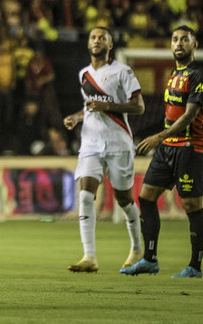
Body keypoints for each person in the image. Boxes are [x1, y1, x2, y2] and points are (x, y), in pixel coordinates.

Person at [121, 25, 203, 279]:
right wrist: (163, 140)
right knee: (146, 197)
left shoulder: (199, 76)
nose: (179, 43)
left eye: (185, 39)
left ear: (195, 44)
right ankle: (150, 260)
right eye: (175, 39)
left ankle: (195, 266)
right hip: (167, 148)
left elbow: (190, 115)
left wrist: (159, 136)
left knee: (192, 205)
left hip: (189, 148)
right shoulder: (174, 74)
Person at [63, 27, 145, 273]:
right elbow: (90, 107)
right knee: (85, 194)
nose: (97, 41)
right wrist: (77, 117)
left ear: (110, 45)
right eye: (93, 37)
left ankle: (137, 248)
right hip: (91, 142)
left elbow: (139, 106)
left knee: (124, 200)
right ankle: (89, 256)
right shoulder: (84, 74)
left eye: (102, 38)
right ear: (88, 43)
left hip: (118, 142)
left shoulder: (122, 71)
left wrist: (106, 107)